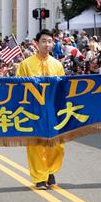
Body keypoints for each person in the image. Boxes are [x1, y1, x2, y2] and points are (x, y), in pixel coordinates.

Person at [16, 29, 65, 190]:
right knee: (36, 144)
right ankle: (39, 177)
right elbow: (17, 87)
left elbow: (62, 88)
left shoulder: (57, 65)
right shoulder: (26, 64)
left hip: (52, 110)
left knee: (56, 143)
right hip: (34, 110)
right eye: (43, 41)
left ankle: (50, 172)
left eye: (50, 41)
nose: (47, 44)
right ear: (37, 44)